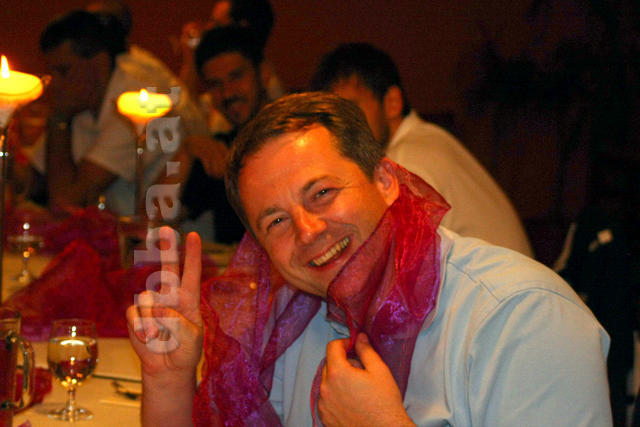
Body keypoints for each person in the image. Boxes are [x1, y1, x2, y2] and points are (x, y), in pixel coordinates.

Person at [128, 92, 612, 426]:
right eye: (275, 221)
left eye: (322, 193)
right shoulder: (296, 323)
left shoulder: (521, 318)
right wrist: (169, 381)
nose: (308, 230)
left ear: (385, 181)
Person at [311, 43, 534, 257]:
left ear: (392, 103)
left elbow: (397, 260)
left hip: (500, 283)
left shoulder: (405, 162)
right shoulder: (428, 138)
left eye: (351, 109)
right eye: (333, 116)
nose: (341, 126)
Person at [32, 10, 207, 216]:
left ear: (99, 63)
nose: (54, 84)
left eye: (63, 71)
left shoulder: (137, 100)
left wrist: (58, 120)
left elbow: (66, 201)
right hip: (124, 228)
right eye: (51, 72)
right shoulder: (84, 100)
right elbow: (32, 179)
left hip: (172, 233)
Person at [166, 25, 271, 243]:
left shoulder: (302, 136)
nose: (227, 93)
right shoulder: (220, 152)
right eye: (215, 84)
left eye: (236, 77)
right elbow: (152, 221)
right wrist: (186, 152)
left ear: (263, 73)